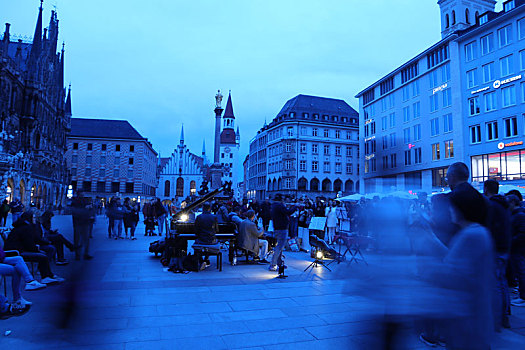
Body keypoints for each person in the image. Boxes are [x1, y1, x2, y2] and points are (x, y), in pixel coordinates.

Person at [4, 212, 64, 284]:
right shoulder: (26, 228)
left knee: (43, 255)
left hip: (18, 250)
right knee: (42, 256)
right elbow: (28, 243)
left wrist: (41, 246)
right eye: (34, 218)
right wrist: (37, 249)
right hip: (16, 252)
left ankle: (49, 275)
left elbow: (32, 240)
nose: (35, 219)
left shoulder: (24, 226)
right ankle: (46, 276)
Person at [483, 179, 512, 329]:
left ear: (486, 188)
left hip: (496, 248)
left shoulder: (492, 206)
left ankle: (500, 318)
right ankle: (505, 314)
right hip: (505, 247)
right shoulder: (504, 205)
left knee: (496, 283)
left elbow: (489, 227)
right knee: (502, 282)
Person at [506, 194, 525, 307]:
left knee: (521, 271)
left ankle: (523, 296)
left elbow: (522, 233)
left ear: (513, 202)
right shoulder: (517, 214)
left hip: (518, 248)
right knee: (520, 271)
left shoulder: (519, 215)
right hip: (517, 248)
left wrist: (511, 240)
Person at [269, 194, 296, 271]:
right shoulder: (279, 206)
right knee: (280, 247)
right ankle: (273, 264)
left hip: (277, 228)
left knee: (279, 246)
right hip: (282, 228)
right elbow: (288, 212)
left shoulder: (274, 206)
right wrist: (295, 207)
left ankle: (279, 263)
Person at [193, 202, 219, 270]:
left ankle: (201, 261)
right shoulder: (214, 217)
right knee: (209, 245)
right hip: (211, 240)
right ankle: (206, 260)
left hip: (201, 239)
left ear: (203, 208)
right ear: (210, 208)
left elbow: (196, 230)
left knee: (196, 244)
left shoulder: (199, 217)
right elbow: (217, 230)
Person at [71, 191, 94, 260]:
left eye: (83, 194)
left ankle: (84, 254)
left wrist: (89, 209)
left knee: (85, 239)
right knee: (78, 239)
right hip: (78, 223)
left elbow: (91, 210)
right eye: (81, 194)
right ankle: (78, 254)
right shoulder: (75, 202)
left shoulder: (85, 201)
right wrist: (85, 210)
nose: (82, 195)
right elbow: (75, 212)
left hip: (85, 222)